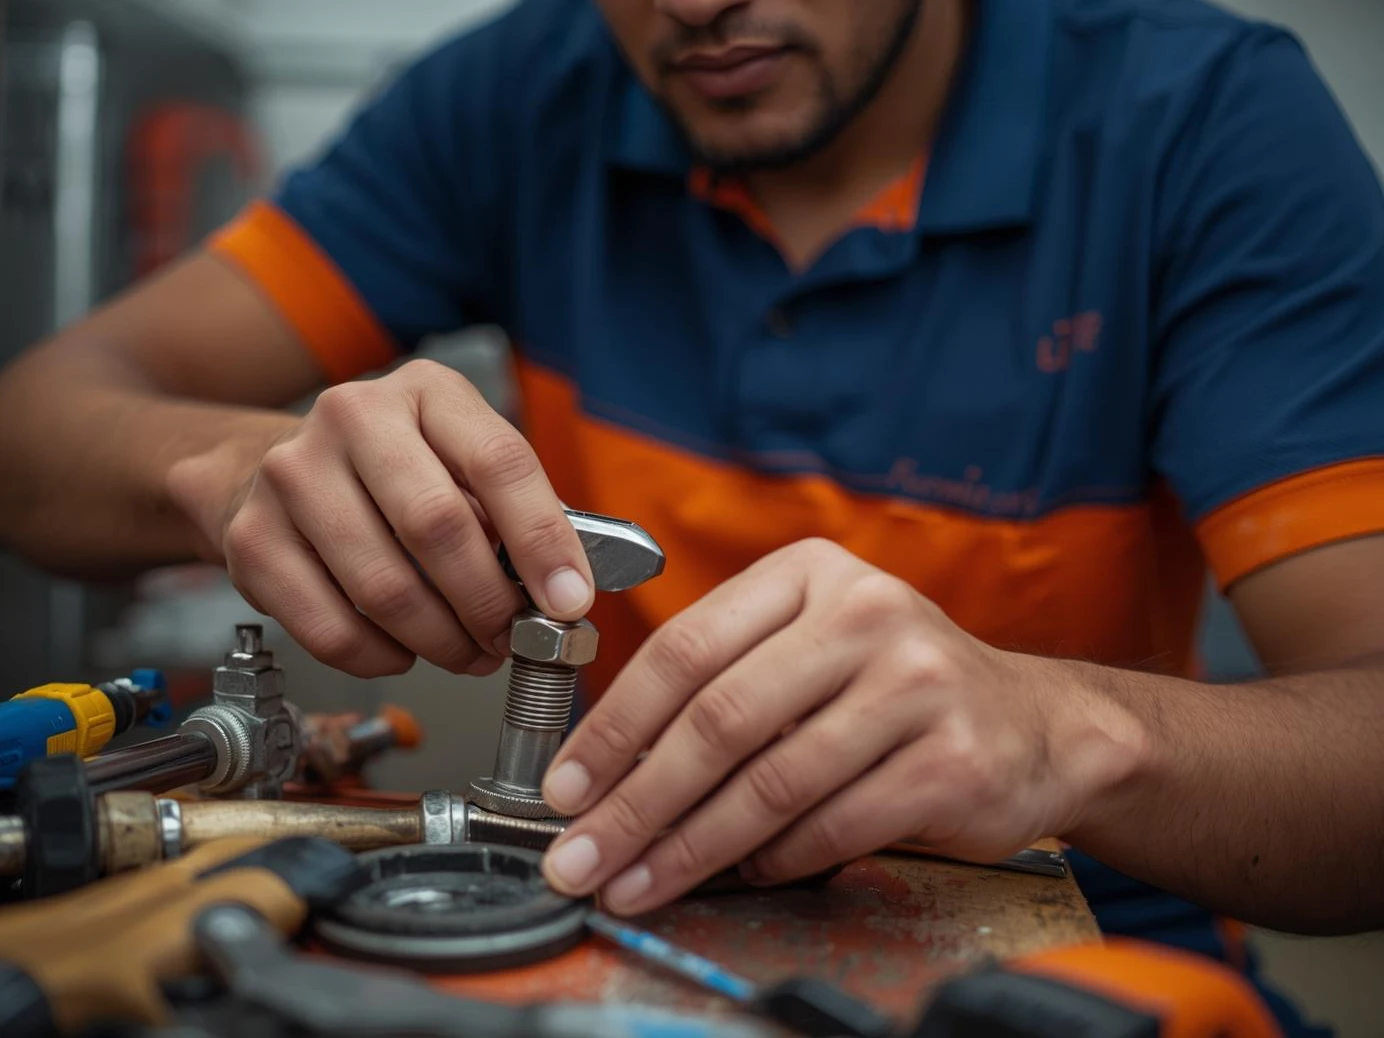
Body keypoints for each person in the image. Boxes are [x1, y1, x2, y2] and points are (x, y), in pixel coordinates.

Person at [1, 0, 1382, 1030]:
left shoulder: (1198, 120)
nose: (696, 6)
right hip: (626, 920)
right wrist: (235, 464)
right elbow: (34, 434)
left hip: (1093, 968)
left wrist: (1068, 733)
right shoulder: (521, 92)